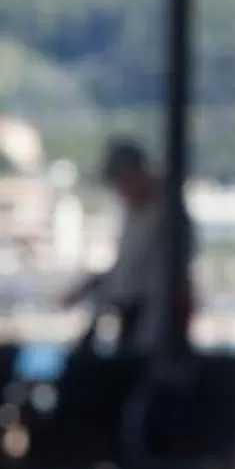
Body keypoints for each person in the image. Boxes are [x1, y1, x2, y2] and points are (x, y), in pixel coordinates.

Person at [63, 140, 187, 353]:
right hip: (133, 321)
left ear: (137, 174)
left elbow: (150, 278)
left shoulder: (165, 214)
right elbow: (126, 268)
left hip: (154, 324)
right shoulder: (135, 213)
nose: (119, 189)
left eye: (121, 180)